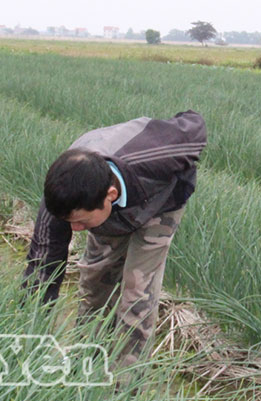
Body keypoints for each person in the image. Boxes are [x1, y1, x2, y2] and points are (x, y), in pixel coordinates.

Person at [23, 110, 206, 384]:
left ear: (109, 196)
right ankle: (86, 363)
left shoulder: (156, 156)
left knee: (137, 292)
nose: (74, 230)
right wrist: (28, 334)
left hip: (160, 204)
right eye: (70, 222)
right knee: (96, 282)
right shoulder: (63, 200)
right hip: (108, 209)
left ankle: (124, 387)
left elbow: (194, 124)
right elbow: (43, 265)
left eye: (80, 222)